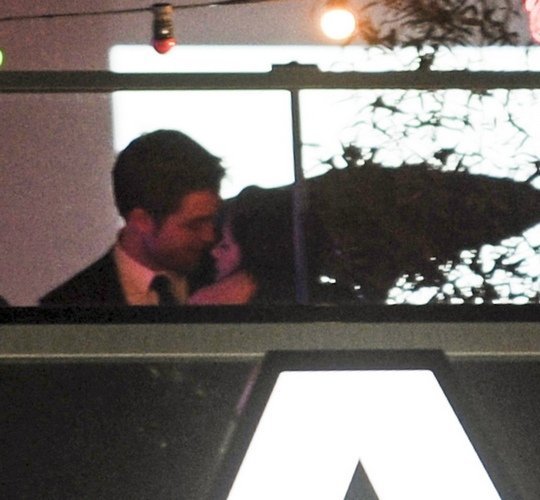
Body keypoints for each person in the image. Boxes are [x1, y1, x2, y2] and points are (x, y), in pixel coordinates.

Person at [40, 129, 225, 306]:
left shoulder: (227, 280)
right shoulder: (68, 306)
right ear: (141, 221)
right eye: (194, 225)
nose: (209, 235)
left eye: (213, 219)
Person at [188, 185, 298, 305]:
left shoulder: (209, 301)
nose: (214, 252)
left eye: (225, 246)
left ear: (254, 253)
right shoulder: (301, 290)